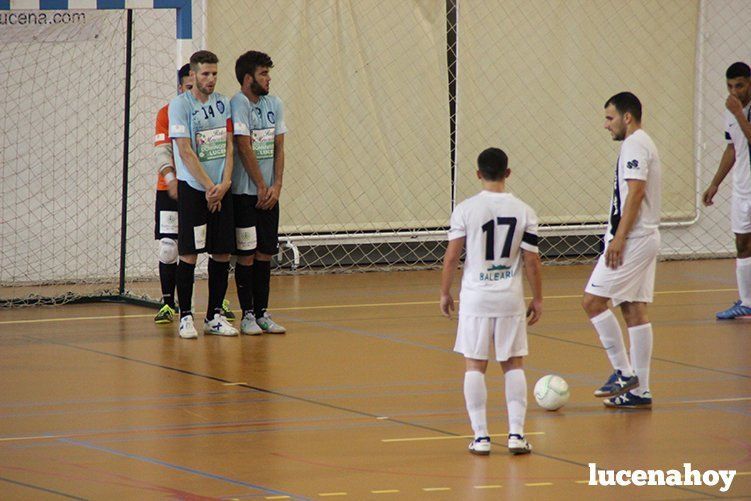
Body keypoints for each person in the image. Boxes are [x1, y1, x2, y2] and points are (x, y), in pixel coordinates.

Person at [440, 147, 542, 456]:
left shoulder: (466, 210)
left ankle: (481, 437)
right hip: (509, 299)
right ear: (508, 173)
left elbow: (452, 257)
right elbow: (532, 261)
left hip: (475, 298)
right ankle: (516, 435)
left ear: (478, 174)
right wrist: (537, 298)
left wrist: (445, 292)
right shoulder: (525, 211)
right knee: (513, 364)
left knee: (475, 364)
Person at [582, 92, 661, 409]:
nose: (606, 125)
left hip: (634, 238)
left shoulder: (635, 144)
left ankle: (624, 373)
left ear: (627, 117)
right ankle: (639, 391)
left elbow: (636, 192)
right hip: (644, 236)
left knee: (592, 301)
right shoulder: (642, 142)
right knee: (633, 309)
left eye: (609, 117)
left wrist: (619, 238)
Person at [153, 64, 235, 325]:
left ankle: (216, 306)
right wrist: (170, 178)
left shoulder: (218, 106)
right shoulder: (169, 112)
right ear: (181, 88)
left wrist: (217, 185)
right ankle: (170, 304)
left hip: (208, 187)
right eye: (189, 86)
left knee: (218, 245)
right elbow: (164, 149)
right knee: (171, 247)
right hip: (174, 187)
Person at [230, 50, 287, 335]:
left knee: (266, 252)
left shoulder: (274, 104)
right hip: (245, 194)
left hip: (269, 195)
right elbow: (243, 146)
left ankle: (263, 312)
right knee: (247, 254)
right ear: (248, 77)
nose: (268, 78)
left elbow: (278, 147)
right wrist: (260, 186)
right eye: (263, 73)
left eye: (268, 72)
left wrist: (276, 186)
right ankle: (247, 315)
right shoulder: (238, 104)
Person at [702, 62, 751, 320]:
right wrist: (715, 183)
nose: (735, 91)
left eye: (740, 85)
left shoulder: (738, 110)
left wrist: (739, 114)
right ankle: (747, 302)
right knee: (742, 242)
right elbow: (732, 148)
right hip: (744, 186)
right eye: (730, 86)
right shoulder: (730, 110)